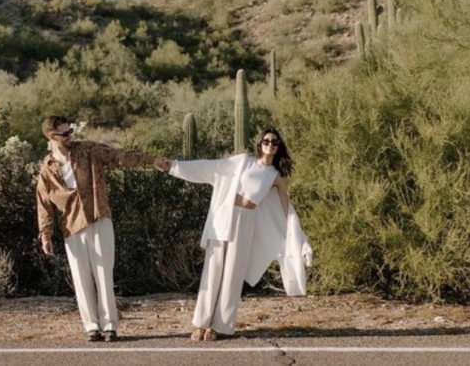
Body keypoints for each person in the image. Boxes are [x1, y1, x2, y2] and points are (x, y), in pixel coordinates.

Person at [153, 127, 312, 341]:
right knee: (213, 269)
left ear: (279, 147)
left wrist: (300, 239)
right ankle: (201, 323)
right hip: (224, 216)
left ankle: (221, 326)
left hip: (245, 221)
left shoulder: (276, 177)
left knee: (232, 274)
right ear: (260, 143)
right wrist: (173, 166)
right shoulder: (243, 162)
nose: (270, 145)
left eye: (275, 142)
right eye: (266, 141)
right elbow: (211, 167)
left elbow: (287, 209)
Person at [35, 115, 168, 342]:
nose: (70, 136)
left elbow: (118, 157)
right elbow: (44, 204)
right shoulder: (47, 170)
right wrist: (45, 234)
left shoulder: (88, 150)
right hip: (71, 225)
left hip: (98, 217)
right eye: (64, 134)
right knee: (81, 277)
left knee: (104, 274)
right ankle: (91, 327)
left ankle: (110, 325)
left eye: (71, 131)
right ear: (51, 136)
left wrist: (151, 160)